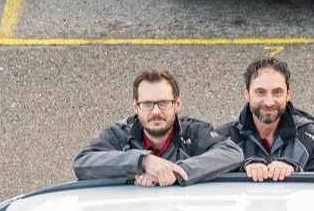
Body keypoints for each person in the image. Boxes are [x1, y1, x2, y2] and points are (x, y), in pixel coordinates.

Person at [76, 70, 243, 186]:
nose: (156, 111)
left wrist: (177, 172)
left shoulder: (193, 132)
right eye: (147, 104)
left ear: (177, 104)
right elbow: (83, 163)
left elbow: (231, 152)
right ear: (135, 106)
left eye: (163, 103)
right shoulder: (119, 135)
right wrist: (143, 161)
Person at [223, 56, 314, 180]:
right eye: (260, 92)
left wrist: (296, 171)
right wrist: (243, 168)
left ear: (288, 94)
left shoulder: (313, 139)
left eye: (277, 92)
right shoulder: (223, 139)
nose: (269, 102)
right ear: (247, 94)